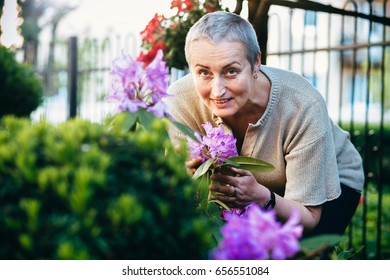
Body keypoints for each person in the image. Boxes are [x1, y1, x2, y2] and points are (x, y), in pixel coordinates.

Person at [165, 11, 364, 237]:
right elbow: (178, 194)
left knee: (297, 259)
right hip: (246, 192)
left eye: (231, 71)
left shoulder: (303, 104)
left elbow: (309, 217)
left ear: (256, 63)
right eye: (203, 72)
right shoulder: (178, 101)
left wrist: (261, 196)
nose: (217, 90)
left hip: (326, 185)